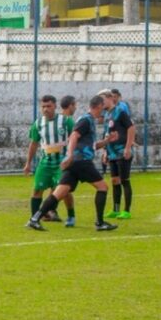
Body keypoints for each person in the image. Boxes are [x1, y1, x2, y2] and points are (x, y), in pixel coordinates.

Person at [26, 95, 118, 232]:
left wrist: (106, 141)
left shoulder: (89, 121)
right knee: (103, 187)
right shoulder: (86, 120)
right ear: (98, 106)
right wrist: (69, 154)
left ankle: (34, 219)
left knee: (59, 193)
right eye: (103, 108)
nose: (104, 111)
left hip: (74, 163)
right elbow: (74, 136)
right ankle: (100, 223)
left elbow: (90, 145)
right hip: (81, 162)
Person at [22, 95, 76, 227]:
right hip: (45, 162)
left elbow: (75, 138)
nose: (45, 109)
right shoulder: (38, 123)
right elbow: (34, 143)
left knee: (64, 191)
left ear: (55, 106)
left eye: (49, 106)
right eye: (43, 106)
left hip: (62, 163)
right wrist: (28, 163)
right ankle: (34, 219)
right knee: (37, 190)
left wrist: (71, 157)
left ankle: (71, 216)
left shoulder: (66, 121)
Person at [99, 89, 136, 220]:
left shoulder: (120, 112)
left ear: (110, 98)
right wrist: (105, 151)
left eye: (102, 100)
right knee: (115, 181)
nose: (101, 103)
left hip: (121, 151)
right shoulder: (107, 115)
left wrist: (127, 147)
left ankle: (126, 210)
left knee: (124, 180)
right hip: (112, 152)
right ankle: (115, 209)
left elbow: (131, 128)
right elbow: (106, 134)